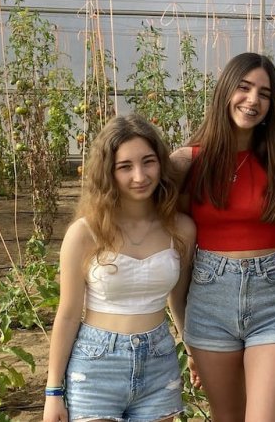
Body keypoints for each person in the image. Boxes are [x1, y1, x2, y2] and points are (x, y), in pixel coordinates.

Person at [171, 52, 275, 422]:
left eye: (264, 93)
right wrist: (185, 331)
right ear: (225, 92)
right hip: (209, 301)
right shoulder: (186, 163)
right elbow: (177, 258)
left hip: (274, 301)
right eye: (244, 88)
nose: (253, 100)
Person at [43, 114, 196, 422]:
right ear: (108, 173)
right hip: (96, 364)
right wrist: (53, 392)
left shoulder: (181, 229)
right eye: (125, 166)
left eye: (148, 162)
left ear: (161, 164)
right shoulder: (85, 233)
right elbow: (69, 313)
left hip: (159, 362)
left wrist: (191, 351)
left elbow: (178, 300)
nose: (139, 176)